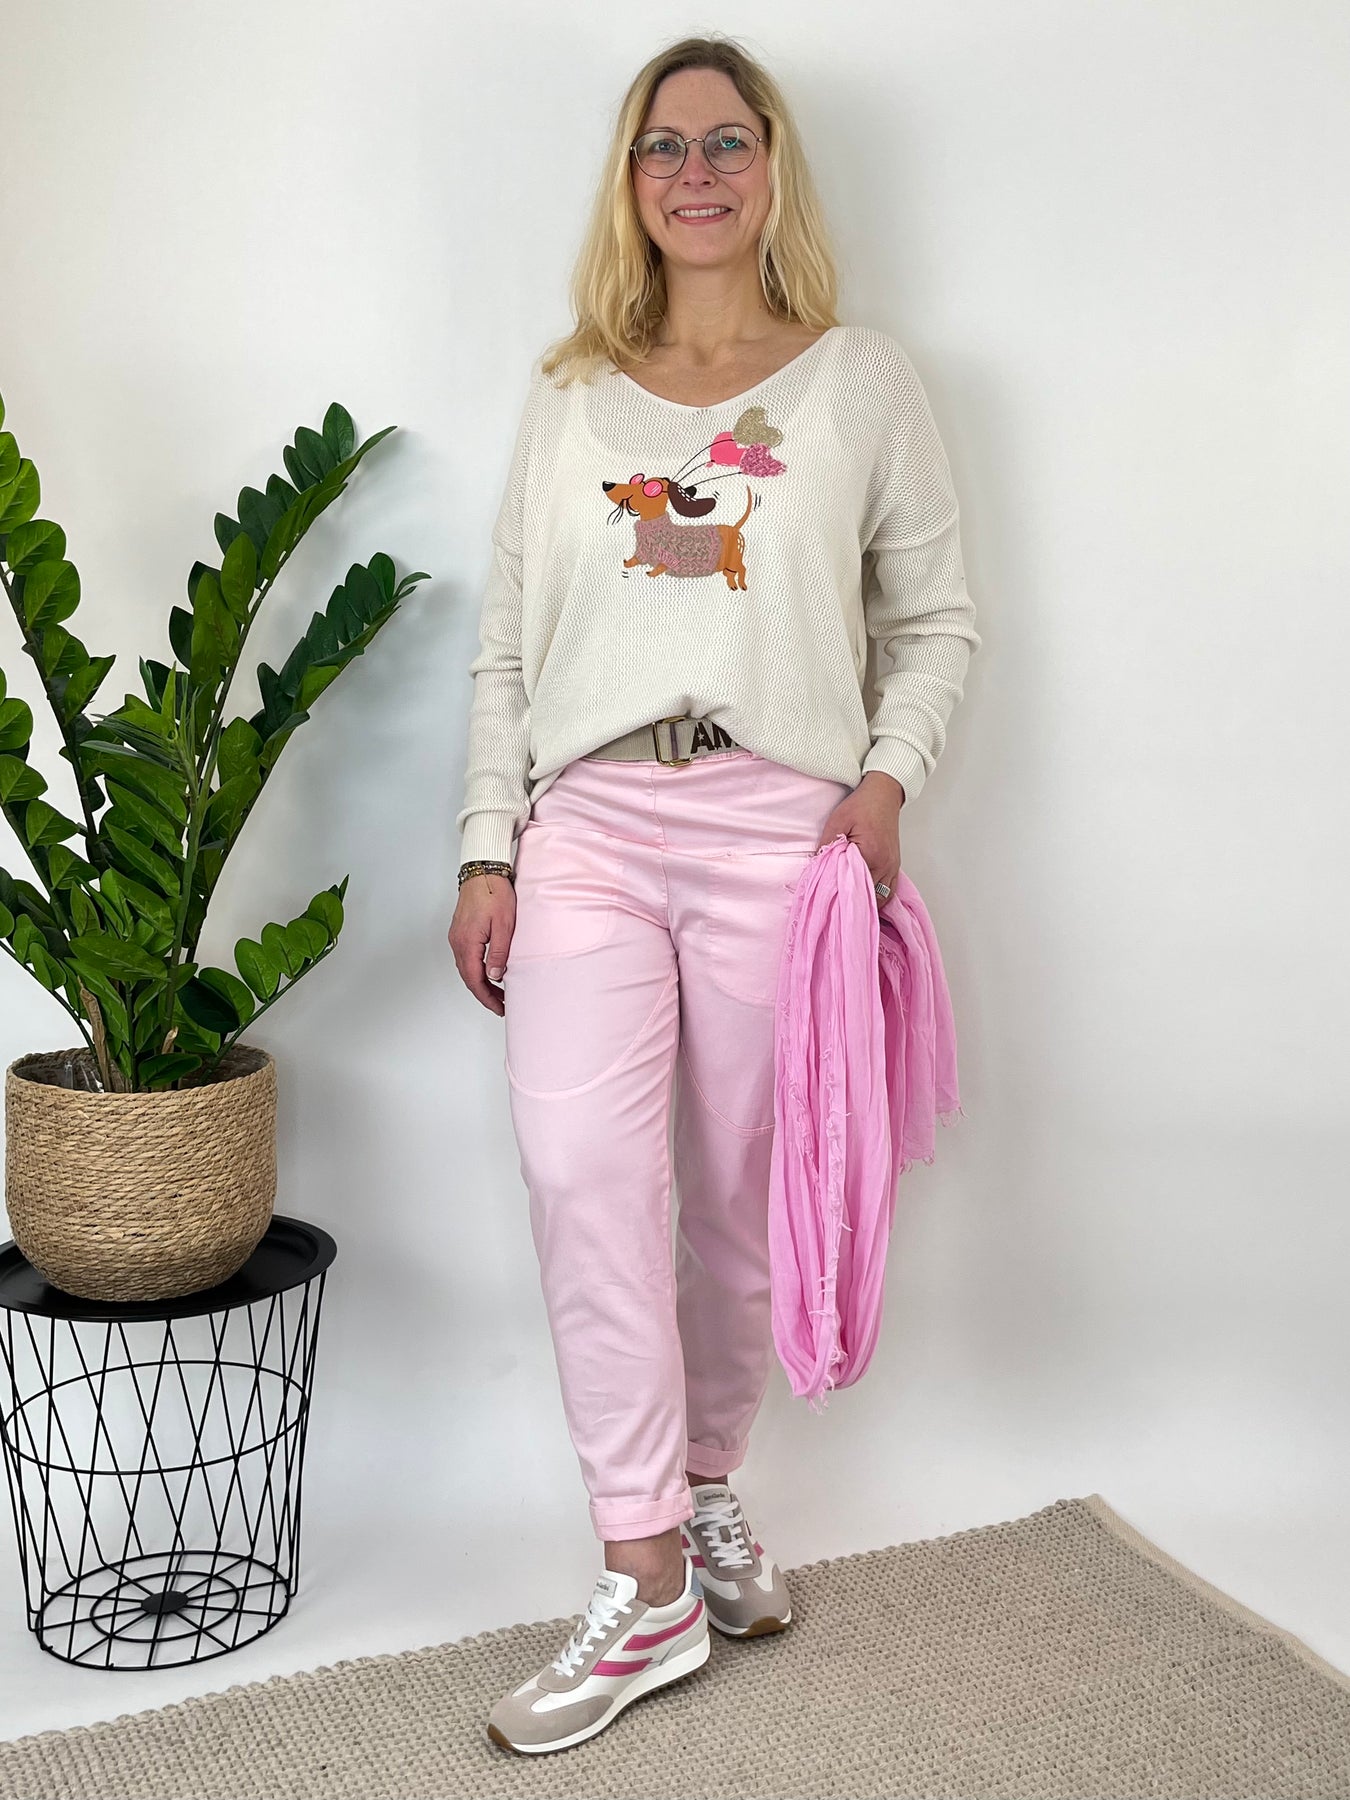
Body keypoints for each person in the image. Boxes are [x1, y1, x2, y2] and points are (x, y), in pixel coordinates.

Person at [448, 32, 981, 1757]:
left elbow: (934, 622)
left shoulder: (860, 381)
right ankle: (645, 1574)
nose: (695, 173)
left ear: (770, 168)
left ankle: (702, 1484)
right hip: (591, 825)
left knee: (747, 1196)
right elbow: (506, 650)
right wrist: (486, 843)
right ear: (630, 179)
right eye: (663, 147)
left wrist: (882, 786)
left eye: (725, 143)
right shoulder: (566, 396)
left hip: (781, 831)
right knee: (581, 1176)